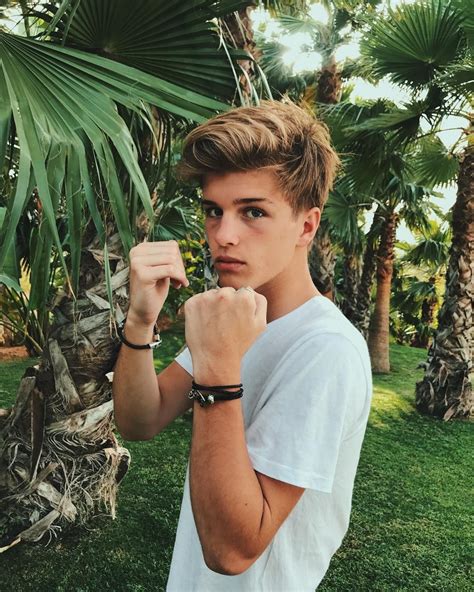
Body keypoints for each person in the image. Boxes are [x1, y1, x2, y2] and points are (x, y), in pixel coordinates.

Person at [112, 100, 373, 591]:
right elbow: (141, 420)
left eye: (253, 211)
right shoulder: (236, 317)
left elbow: (232, 550)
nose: (223, 236)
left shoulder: (325, 349)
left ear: (307, 225)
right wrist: (141, 319)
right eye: (214, 211)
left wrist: (217, 367)